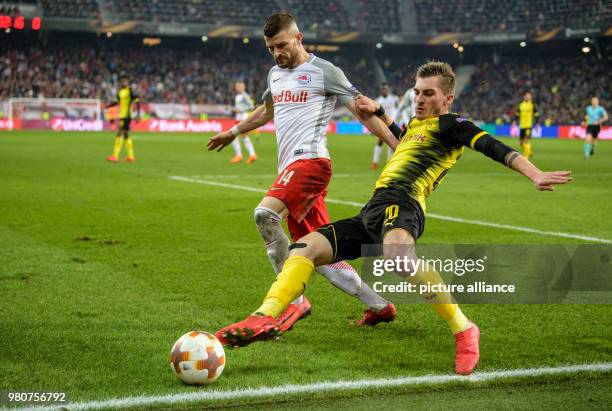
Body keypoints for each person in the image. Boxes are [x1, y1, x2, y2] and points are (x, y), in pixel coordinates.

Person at [215, 61, 572, 375]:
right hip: (373, 208)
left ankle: (464, 329)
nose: (419, 98)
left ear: (447, 98)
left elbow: (495, 147)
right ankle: (264, 314)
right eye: (417, 91)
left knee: (399, 258)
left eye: (428, 94)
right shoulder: (417, 125)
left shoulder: (453, 124)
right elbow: (404, 144)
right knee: (303, 248)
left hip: (405, 205)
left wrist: (533, 173)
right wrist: (383, 114)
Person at [208, 13, 399, 334]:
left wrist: (397, 144)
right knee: (313, 250)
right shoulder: (275, 75)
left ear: (298, 38)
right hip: (290, 168)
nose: (277, 53)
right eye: (271, 48)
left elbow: (362, 111)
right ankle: (380, 306)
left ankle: (293, 302)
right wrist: (235, 131)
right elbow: (266, 111)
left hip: (311, 163)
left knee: (264, 215)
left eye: (281, 45)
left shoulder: (324, 71)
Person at [106, 76, 140, 163]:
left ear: (127, 82)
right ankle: (131, 156)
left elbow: (137, 100)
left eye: (125, 81)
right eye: (122, 81)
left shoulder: (130, 90)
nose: (124, 83)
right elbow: (116, 102)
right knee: (126, 135)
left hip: (127, 116)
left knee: (119, 133)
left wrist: (138, 115)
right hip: (122, 115)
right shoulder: (120, 92)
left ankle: (115, 156)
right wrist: (108, 106)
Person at [371, 83, 399, 170]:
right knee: (380, 142)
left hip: (392, 123)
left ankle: (388, 162)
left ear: (388, 89)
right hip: (382, 124)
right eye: (383, 89)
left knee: (392, 142)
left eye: (386, 89)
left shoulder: (395, 98)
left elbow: (398, 109)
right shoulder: (378, 101)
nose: (384, 90)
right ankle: (374, 162)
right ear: (381, 90)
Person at [229, 80, 258, 164]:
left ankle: (240, 155)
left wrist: (241, 110)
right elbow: (239, 107)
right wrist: (234, 109)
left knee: (234, 135)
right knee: (241, 136)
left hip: (243, 118)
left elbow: (252, 106)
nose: (238, 88)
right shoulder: (238, 96)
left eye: (240, 86)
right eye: (237, 86)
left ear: (243, 87)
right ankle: (251, 155)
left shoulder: (245, 95)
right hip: (238, 118)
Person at [514, 91, 539, 159]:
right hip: (522, 126)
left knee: (526, 140)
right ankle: (529, 152)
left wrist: (537, 124)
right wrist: (514, 121)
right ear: (524, 96)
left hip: (528, 126)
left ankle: (526, 157)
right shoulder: (521, 105)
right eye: (527, 95)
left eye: (529, 95)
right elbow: (517, 114)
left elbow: (536, 114)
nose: (529, 97)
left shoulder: (532, 104)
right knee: (521, 143)